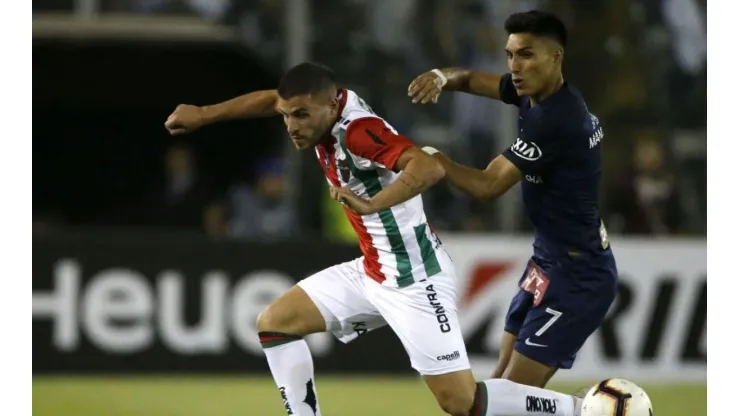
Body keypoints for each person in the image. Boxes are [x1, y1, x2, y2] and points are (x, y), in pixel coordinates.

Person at [166, 62, 584, 416]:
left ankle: (582, 409)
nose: (292, 125)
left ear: (331, 105)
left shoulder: (358, 131)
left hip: (416, 279)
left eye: (301, 115)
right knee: (275, 323)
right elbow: (271, 99)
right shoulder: (320, 104)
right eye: (288, 115)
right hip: (372, 272)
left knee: (462, 402)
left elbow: (427, 167)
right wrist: (204, 114)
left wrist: (372, 204)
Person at [408, 10, 619, 391]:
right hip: (548, 260)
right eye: (509, 55)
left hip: (578, 276)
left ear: (555, 58)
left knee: (512, 397)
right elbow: (471, 78)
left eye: (525, 54)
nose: (514, 67)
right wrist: (442, 77)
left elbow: (488, 186)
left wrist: (437, 160)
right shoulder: (536, 95)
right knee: (498, 386)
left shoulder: (557, 119)